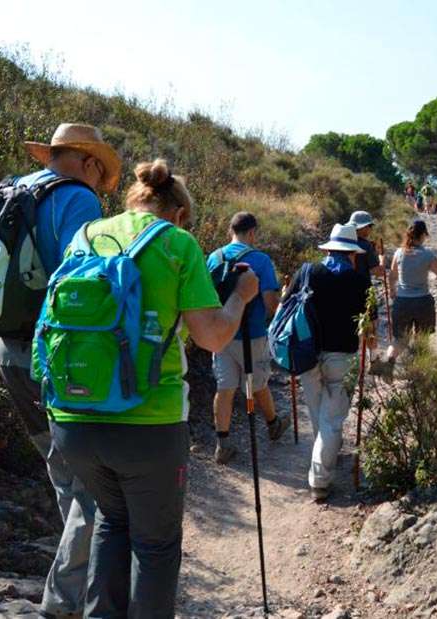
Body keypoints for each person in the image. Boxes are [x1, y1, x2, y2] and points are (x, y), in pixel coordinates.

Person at [50, 159, 259, 618]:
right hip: (149, 425)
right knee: (156, 545)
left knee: (111, 520)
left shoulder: (84, 236)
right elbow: (212, 336)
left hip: (73, 419)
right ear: (179, 213)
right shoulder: (177, 244)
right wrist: (240, 297)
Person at [0, 122, 121, 618]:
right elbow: (80, 283)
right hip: (54, 356)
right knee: (92, 487)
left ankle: (79, 575)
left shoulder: (16, 188)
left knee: (61, 471)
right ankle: (62, 602)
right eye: (99, 171)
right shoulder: (79, 199)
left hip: (7, 350)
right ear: (89, 162)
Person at [286, 224, 372, 502]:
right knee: (332, 420)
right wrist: (372, 352)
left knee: (319, 413)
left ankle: (324, 457)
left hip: (306, 353)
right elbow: (369, 325)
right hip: (341, 357)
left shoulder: (308, 272)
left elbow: (285, 307)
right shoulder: (359, 281)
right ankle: (320, 481)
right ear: (352, 254)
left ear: (328, 249)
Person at [207, 212, 289, 464]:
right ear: (252, 232)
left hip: (221, 333)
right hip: (252, 334)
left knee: (225, 386)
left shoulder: (214, 257)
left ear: (231, 231)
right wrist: (283, 297)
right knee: (257, 383)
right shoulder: (261, 260)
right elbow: (271, 303)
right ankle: (273, 424)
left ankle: (222, 444)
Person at [373, 220, 437, 374]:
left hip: (402, 302)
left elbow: (392, 275)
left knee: (399, 339)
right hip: (422, 302)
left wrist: (393, 291)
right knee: (422, 338)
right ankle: (418, 372)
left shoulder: (399, 253)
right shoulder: (427, 255)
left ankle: (389, 361)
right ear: (422, 235)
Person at [346, 210, 385, 280]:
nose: (371, 229)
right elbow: (378, 272)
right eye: (370, 226)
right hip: (360, 286)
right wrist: (381, 258)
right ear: (364, 227)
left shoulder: (343, 242)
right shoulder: (366, 245)